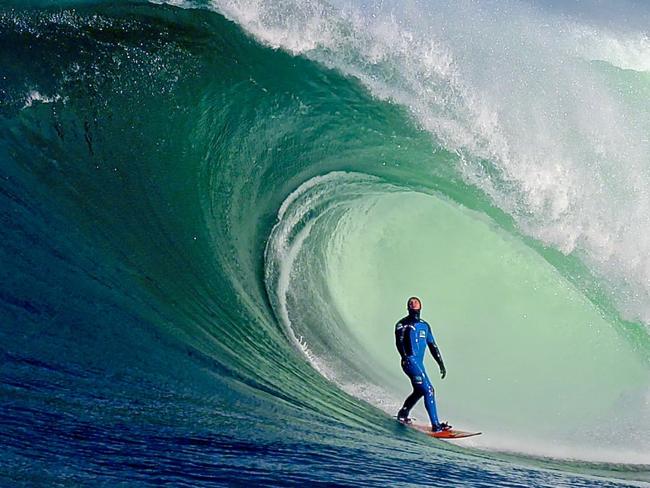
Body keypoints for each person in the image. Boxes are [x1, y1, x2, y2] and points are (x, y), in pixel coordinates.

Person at [395, 296, 451, 432]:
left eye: (416, 301)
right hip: (410, 362)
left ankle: (403, 414)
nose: (413, 303)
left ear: (421, 306)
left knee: (420, 391)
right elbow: (399, 343)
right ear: (408, 307)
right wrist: (405, 357)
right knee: (429, 390)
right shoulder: (402, 324)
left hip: (418, 364)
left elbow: (432, 346)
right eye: (410, 302)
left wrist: (441, 364)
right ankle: (436, 426)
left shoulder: (425, 326)